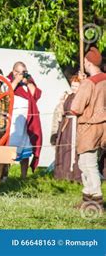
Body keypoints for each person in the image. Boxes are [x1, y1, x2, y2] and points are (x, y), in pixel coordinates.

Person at [70, 47, 106, 210]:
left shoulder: (89, 83)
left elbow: (76, 107)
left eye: (85, 61)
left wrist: (84, 84)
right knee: (85, 163)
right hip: (103, 126)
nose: (83, 63)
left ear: (89, 62)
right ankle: (88, 197)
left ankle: (96, 199)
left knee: (89, 164)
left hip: (89, 126)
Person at [7, 61, 42, 179]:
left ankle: (23, 177)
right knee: (9, 148)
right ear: (14, 72)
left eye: (26, 72)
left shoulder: (28, 82)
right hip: (14, 122)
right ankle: (4, 176)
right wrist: (16, 80)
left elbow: (35, 94)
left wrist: (27, 82)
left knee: (26, 149)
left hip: (28, 120)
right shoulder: (8, 80)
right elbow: (7, 93)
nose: (24, 74)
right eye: (22, 72)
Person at [50, 75, 82, 182]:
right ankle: (63, 174)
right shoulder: (68, 96)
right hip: (66, 125)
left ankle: (75, 175)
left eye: (76, 86)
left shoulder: (81, 97)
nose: (74, 88)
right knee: (64, 149)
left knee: (75, 149)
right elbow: (61, 110)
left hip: (76, 125)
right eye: (72, 86)